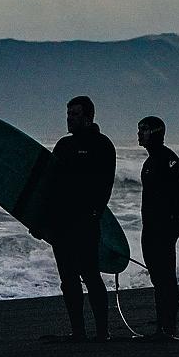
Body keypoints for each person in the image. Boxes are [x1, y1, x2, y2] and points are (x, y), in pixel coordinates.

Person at [47, 95, 114, 341]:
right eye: (68, 114)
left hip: (85, 223)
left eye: (75, 114)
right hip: (61, 224)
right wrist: (40, 220)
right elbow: (50, 186)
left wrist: (95, 212)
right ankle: (78, 331)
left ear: (88, 117)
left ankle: (102, 332)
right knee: (68, 278)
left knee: (91, 274)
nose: (69, 119)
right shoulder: (63, 146)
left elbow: (106, 184)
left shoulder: (102, 145)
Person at [137, 115, 179, 340]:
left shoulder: (167, 159)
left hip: (163, 230)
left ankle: (168, 329)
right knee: (158, 278)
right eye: (139, 129)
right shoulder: (150, 162)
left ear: (155, 133)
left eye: (143, 130)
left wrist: (176, 222)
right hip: (150, 228)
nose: (139, 134)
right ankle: (162, 328)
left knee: (165, 279)